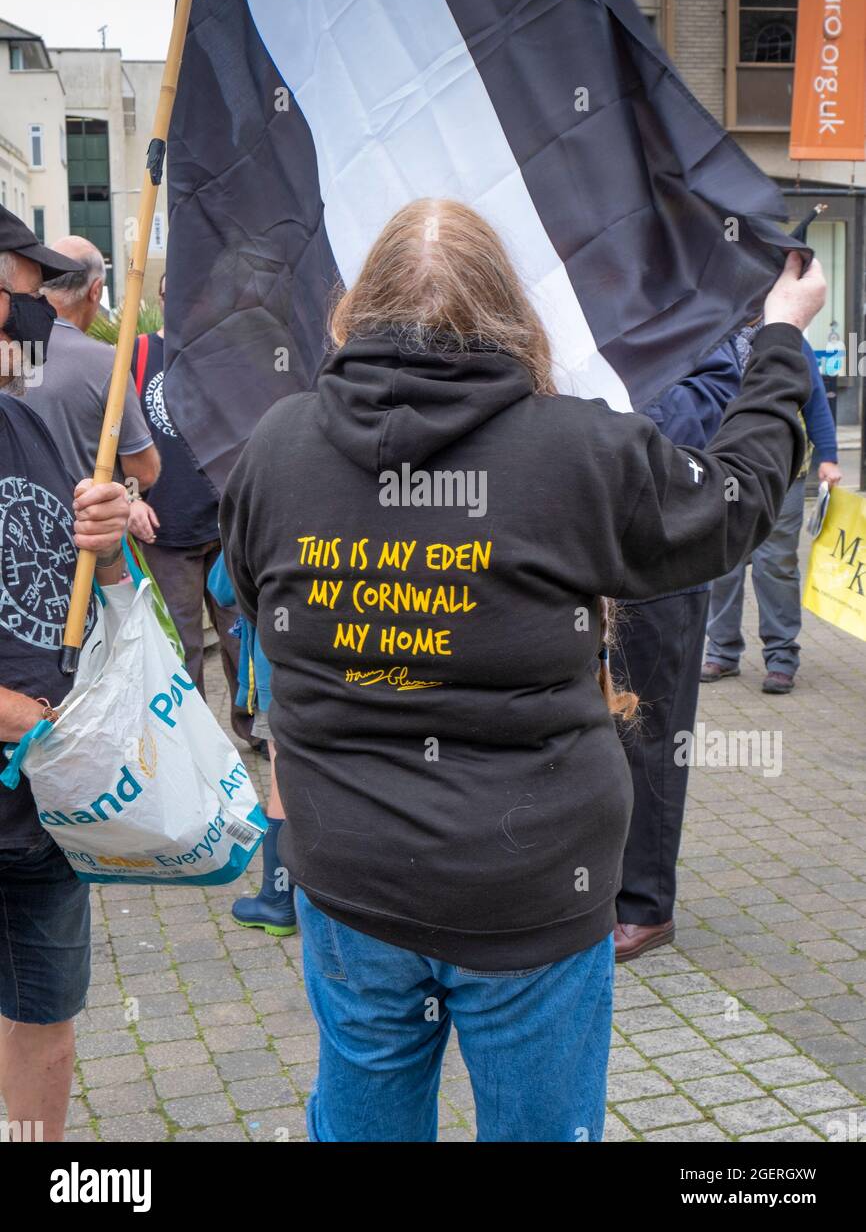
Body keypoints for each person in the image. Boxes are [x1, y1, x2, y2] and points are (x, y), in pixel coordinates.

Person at [220, 199, 822, 1143]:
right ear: (511, 312)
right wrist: (780, 341)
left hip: (349, 876)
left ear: (355, 313)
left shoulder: (275, 448)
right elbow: (736, 505)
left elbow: (260, 609)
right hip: (530, 888)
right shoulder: (578, 450)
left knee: (364, 1117)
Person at [0, 206, 131, 1143]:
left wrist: (111, 547)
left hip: (40, 815)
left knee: (44, 1019)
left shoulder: (27, 419)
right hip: (34, 751)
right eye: (18, 297)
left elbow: (85, 593)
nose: (32, 321)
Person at [610, 342, 741, 963]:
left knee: (650, 736)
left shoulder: (692, 310)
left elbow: (711, 404)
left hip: (664, 564)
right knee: (595, 732)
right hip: (589, 554)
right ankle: (599, 887)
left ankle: (645, 907)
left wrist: (616, 416)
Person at [126, 277, 254, 742]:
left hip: (226, 529)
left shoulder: (222, 357)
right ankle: (196, 743)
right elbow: (111, 437)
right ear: (160, 300)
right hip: (163, 531)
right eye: (170, 294)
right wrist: (129, 498)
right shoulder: (136, 356)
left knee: (243, 640)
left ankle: (256, 731)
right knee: (182, 649)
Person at [702, 333, 841, 693]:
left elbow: (815, 405)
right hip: (724, 471)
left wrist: (828, 456)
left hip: (784, 473)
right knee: (723, 564)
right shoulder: (714, 335)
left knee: (776, 563)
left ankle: (781, 658)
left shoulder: (789, 337)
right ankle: (722, 652)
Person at [21, 236, 160, 496]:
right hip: (80, 526)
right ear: (95, 290)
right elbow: (143, 473)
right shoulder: (106, 364)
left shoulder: (10, 349)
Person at [208, 553, 297, 937]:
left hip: (280, 669)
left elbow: (223, 588)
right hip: (362, 669)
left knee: (284, 779)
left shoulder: (261, 495)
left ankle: (278, 899)